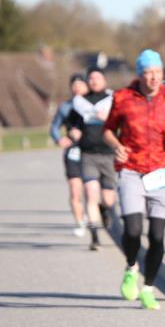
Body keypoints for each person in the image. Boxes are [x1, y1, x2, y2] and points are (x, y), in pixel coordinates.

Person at [104, 50, 165, 310]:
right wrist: (115, 145)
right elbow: (108, 130)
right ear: (139, 73)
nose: (154, 77)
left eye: (157, 72)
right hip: (131, 168)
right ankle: (131, 267)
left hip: (162, 172)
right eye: (148, 72)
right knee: (132, 229)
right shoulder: (122, 98)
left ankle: (148, 287)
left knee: (157, 235)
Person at [66, 67, 118, 251]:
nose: (94, 81)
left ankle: (105, 210)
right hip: (88, 153)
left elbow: (123, 122)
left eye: (97, 77)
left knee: (108, 199)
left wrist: (110, 118)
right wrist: (73, 131)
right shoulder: (80, 103)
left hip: (108, 154)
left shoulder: (113, 100)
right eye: (91, 78)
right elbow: (72, 124)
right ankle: (95, 237)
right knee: (90, 194)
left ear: (104, 80)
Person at [50, 73, 89, 236]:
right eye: (73, 84)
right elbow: (54, 127)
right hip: (72, 152)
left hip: (91, 152)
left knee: (92, 191)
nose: (77, 87)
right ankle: (80, 222)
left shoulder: (93, 105)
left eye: (80, 84)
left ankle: (97, 212)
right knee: (74, 190)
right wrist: (59, 139)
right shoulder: (65, 107)